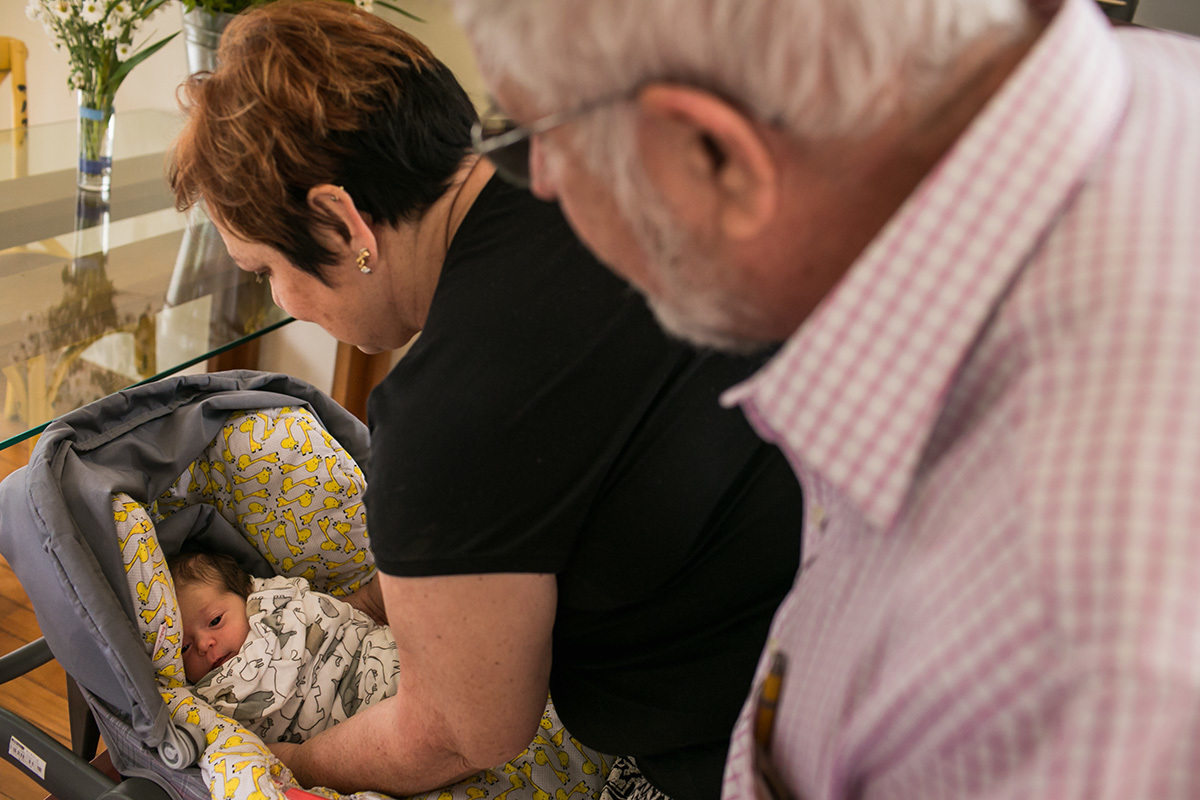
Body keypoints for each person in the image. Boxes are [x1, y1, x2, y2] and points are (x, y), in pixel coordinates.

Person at [448, 0, 1200, 798]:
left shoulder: (1067, 672)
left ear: (712, 154)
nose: (545, 192)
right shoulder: (1158, 85)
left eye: (533, 145)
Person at [168, 3, 805, 799]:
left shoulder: (446, 419)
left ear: (339, 221)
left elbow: (465, 733)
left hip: (759, 749)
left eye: (264, 270)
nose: (286, 301)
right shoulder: (600, 151)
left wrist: (282, 763)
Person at [169, 552, 608, 799]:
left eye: (213, 621)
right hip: (350, 730)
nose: (205, 645)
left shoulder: (277, 605)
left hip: (390, 661)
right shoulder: (206, 700)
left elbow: (346, 618)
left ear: (247, 594)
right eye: (185, 646)